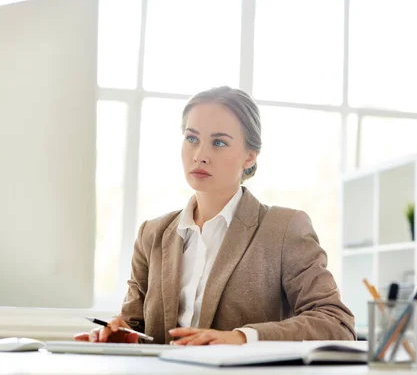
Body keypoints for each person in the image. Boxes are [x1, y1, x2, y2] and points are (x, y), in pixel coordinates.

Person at [74, 86, 355, 345]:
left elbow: (336, 323)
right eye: (192, 138)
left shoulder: (284, 229)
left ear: (250, 156)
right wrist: (117, 335)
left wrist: (242, 338)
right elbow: (135, 326)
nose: (200, 155)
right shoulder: (152, 234)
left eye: (219, 143)